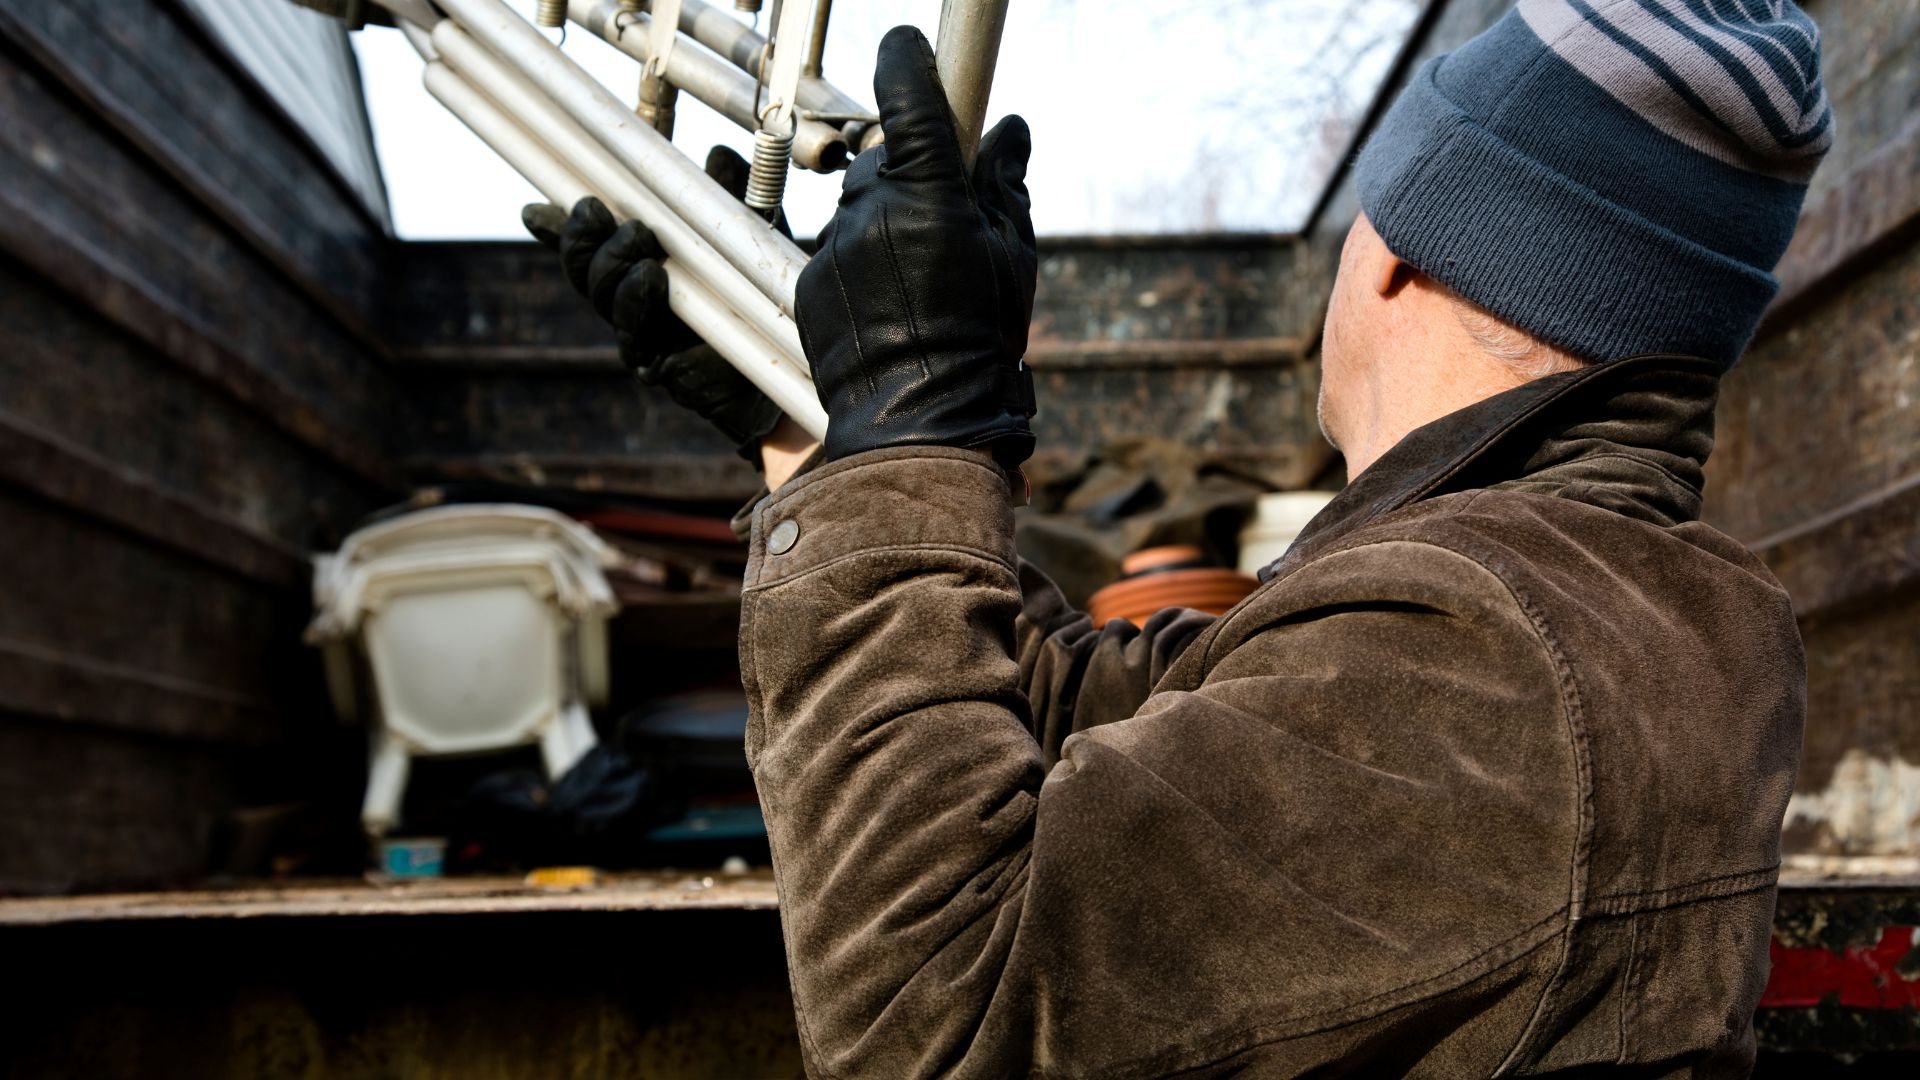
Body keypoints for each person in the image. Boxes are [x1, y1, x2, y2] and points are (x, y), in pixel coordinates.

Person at [530, 1, 1831, 1073]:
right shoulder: (1576, 606)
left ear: (1401, 256)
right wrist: (826, 443)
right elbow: (1088, 725)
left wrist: (910, 432)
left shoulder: (1496, 654)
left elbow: (932, 1024)